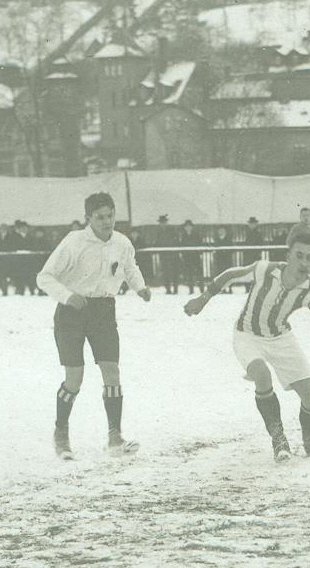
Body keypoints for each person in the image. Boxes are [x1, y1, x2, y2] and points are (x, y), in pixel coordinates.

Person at [184, 226, 310, 461]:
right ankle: (279, 440)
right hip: (247, 334)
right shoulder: (265, 270)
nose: (304, 263)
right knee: (262, 375)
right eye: (299, 256)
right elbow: (230, 275)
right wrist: (203, 299)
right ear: (288, 256)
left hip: (280, 337)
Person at [36, 192, 152, 460]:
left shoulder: (121, 243)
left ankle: (115, 436)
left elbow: (130, 267)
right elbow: (45, 277)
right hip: (72, 313)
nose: (106, 222)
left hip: (103, 311)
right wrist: (68, 296)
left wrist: (140, 287)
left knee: (112, 373)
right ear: (88, 218)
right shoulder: (74, 242)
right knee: (74, 379)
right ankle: (61, 434)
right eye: (100, 217)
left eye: (110, 215)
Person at [154, 215, 180, 295]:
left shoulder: (172, 231)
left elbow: (176, 241)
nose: (163, 224)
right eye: (161, 223)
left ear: (166, 223)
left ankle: (175, 289)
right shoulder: (159, 232)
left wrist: (174, 250)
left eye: (164, 222)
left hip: (173, 255)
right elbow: (157, 243)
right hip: (164, 255)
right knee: (165, 272)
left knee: (174, 272)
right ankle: (168, 289)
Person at [179, 220, 204, 293]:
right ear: (184, 228)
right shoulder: (183, 236)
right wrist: (184, 255)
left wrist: (198, 253)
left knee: (199, 274)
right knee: (189, 274)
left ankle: (201, 290)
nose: (188, 228)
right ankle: (191, 290)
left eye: (189, 226)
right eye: (186, 226)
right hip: (187, 258)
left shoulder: (196, 235)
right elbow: (182, 246)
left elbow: (200, 244)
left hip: (195, 258)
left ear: (192, 227)